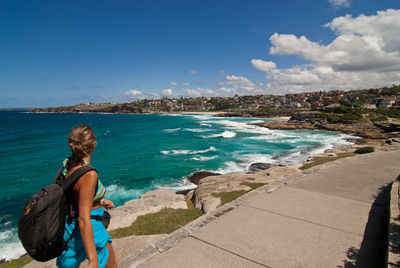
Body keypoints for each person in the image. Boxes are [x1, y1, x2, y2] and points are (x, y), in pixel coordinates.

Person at [56, 124, 117, 268]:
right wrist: (92, 260)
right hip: (91, 228)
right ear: (93, 145)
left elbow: (73, 195)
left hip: (69, 229)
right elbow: (84, 219)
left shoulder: (66, 166)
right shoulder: (89, 174)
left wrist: (99, 201)